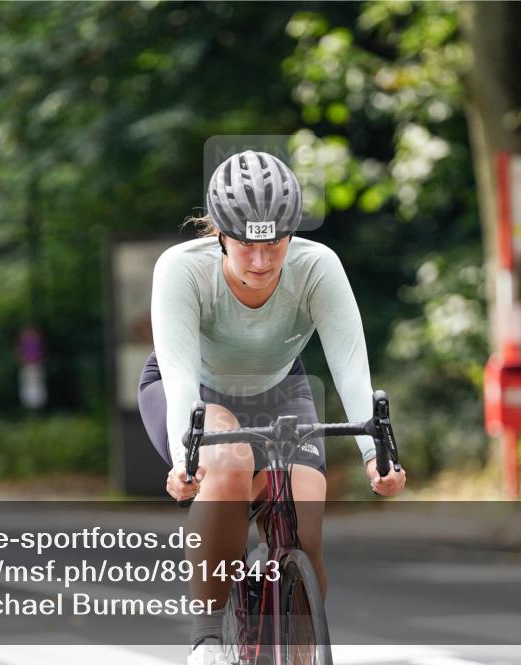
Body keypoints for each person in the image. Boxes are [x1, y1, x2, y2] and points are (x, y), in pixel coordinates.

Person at [138, 150, 407, 665]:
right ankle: (207, 637)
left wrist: (376, 455)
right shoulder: (181, 269)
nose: (261, 262)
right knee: (230, 462)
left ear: (291, 234)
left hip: (280, 389)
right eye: (246, 245)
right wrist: (185, 459)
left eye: (275, 243)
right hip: (196, 391)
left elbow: (351, 367)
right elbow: (180, 374)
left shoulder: (317, 266)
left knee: (306, 529)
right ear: (220, 234)